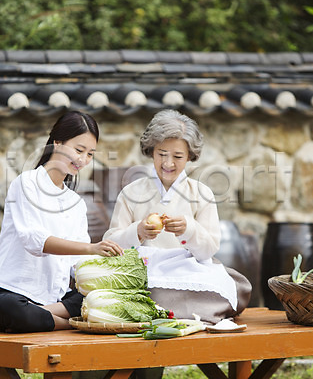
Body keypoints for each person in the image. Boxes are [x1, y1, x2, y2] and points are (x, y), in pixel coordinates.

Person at [0, 111, 123, 333]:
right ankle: (68, 324)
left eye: (90, 154)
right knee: (8, 308)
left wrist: (111, 272)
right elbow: (33, 240)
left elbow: (78, 264)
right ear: (57, 143)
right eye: (78, 150)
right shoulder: (26, 183)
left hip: (55, 299)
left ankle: (41, 313)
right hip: (9, 293)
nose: (83, 160)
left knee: (96, 298)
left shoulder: (76, 203)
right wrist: (91, 248)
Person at [104, 109, 251, 324]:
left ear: (190, 156)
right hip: (145, 271)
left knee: (229, 284)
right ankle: (185, 310)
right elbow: (111, 243)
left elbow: (209, 250)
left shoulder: (201, 193)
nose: (168, 163)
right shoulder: (131, 192)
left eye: (178, 156)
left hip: (188, 270)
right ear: (151, 151)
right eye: (162, 154)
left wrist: (188, 230)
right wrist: (138, 231)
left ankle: (166, 308)